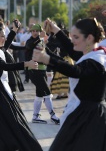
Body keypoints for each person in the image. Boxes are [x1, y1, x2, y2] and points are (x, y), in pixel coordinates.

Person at [32, 18, 106, 151]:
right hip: (83, 113)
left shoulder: (98, 60)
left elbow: (75, 71)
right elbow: (73, 51)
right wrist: (55, 29)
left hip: (89, 118)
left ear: (89, 38)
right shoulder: (93, 54)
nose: (72, 40)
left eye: (76, 37)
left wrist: (47, 59)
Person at [25, 23, 60, 124]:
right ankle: (53, 116)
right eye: (33, 31)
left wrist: (60, 60)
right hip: (34, 70)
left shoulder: (41, 42)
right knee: (47, 93)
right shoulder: (30, 41)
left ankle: (35, 116)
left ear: (40, 31)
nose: (35, 33)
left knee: (39, 94)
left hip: (42, 70)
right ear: (31, 32)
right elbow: (30, 46)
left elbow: (49, 53)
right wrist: (40, 38)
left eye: (37, 31)